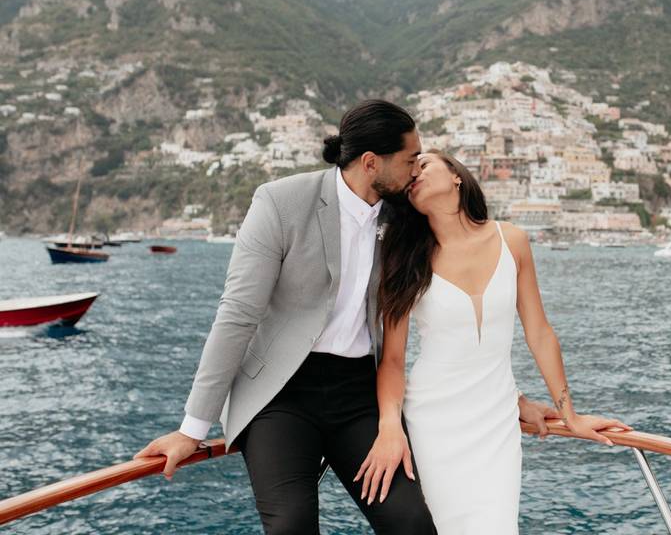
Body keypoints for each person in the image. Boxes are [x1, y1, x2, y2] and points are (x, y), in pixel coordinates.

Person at [135, 101, 558, 534]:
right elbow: (237, 316)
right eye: (412, 159)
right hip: (279, 397)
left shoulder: (404, 218)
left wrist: (506, 399)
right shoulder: (280, 202)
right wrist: (192, 428)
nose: (417, 170)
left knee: (411, 522)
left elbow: (463, 294)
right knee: (292, 527)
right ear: (372, 163)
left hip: (358, 395)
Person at [356, 150, 630, 534]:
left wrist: (569, 413)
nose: (414, 174)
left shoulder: (512, 240)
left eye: (425, 164)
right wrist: (390, 427)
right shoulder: (406, 259)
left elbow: (540, 333)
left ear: (456, 176)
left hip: (496, 423)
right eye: (410, 175)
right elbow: (393, 361)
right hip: (433, 422)